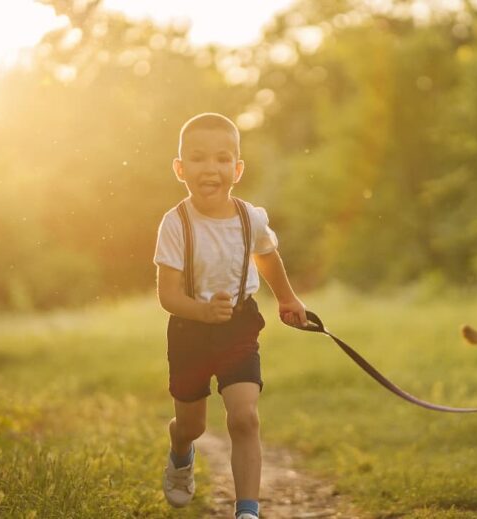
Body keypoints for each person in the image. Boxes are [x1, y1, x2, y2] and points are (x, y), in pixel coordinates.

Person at [154, 113, 308, 519]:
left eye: (223, 159)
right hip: (189, 330)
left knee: (245, 418)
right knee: (193, 426)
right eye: (199, 159)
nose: (211, 169)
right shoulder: (175, 224)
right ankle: (180, 450)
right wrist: (202, 310)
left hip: (239, 326)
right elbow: (167, 295)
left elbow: (266, 255)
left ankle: (247, 511)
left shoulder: (248, 218)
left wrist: (288, 299)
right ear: (180, 168)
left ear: (237, 170)